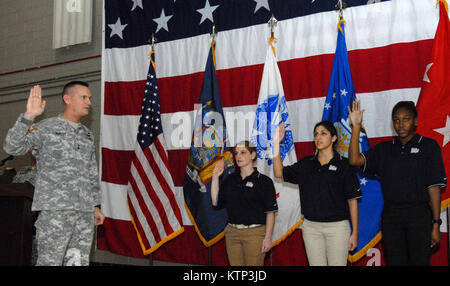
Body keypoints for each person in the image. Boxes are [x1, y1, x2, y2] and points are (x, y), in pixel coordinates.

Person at [3, 82, 104, 266]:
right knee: (50, 262)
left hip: (83, 212)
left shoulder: (86, 134)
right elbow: (12, 147)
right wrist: (29, 116)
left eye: (90, 98)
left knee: (78, 263)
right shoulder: (45, 128)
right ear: (68, 99)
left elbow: (91, 171)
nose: (89, 102)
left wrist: (95, 205)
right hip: (55, 212)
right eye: (84, 97)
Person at [348, 100, 446, 266]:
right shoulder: (385, 149)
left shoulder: (429, 147)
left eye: (406, 119)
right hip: (391, 217)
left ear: (415, 121)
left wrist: (436, 223)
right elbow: (354, 160)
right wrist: (356, 126)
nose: (400, 124)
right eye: (396, 120)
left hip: (419, 216)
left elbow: (434, 188)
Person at [273, 120, 360, 266]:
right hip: (311, 228)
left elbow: (353, 201)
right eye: (315, 134)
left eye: (323, 133)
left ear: (334, 138)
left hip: (337, 228)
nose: (318, 137)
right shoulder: (306, 164)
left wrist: (355, 233)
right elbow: (278, 172)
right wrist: (276, 143)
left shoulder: (344, 165)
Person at [211, 141, 277, 266]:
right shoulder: (230, 180)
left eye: (243, 152)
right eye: (236, 153)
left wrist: (268, 238)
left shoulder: (264, 181)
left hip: (255, 233)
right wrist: (215, 177)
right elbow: (215, 202)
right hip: (232, 233)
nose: (238, 156)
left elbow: (270, 212)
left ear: (253, 155)